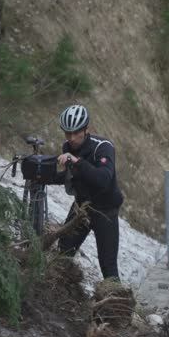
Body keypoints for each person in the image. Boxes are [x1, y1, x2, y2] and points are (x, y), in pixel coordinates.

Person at [53, 104, 124, 279]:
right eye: (67, 133)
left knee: (108, 266)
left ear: (85, 129)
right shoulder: (67, 147)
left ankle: (116, 302)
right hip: (81, 207)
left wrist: (76, 162)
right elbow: (71, 178)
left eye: (75, 132)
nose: (71, 138)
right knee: (62, 254)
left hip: (105, 210)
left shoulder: (103, 147)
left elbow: (103, 179)